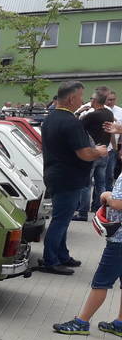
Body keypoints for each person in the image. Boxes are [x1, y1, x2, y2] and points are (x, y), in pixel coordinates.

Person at [39, 81, 109, 275]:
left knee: (63, 218)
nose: (82, 100)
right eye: (80, 96)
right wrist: (100, 151)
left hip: (57, 175)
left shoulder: (51, 118)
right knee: (60, 220)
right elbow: (85, 153)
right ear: (71, 98)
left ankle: (62, 255)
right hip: (68, 177)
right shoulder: (71, 122)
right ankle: (51, 260)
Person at [53, 174, 122, 336]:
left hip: (119, 240)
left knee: (101, 281)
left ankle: (82, 322)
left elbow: (119, 203)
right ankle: (120, 323)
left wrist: (107, 196)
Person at [78, 87, 116, 218]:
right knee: (101, 183)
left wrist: (80, 112)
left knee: (86, 183)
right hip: (104, 151)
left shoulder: (92, 115)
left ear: (94, 100)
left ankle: (83, 212)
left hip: (92, 152)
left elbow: (76, 126)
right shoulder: (109, 113)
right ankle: (99, 209)